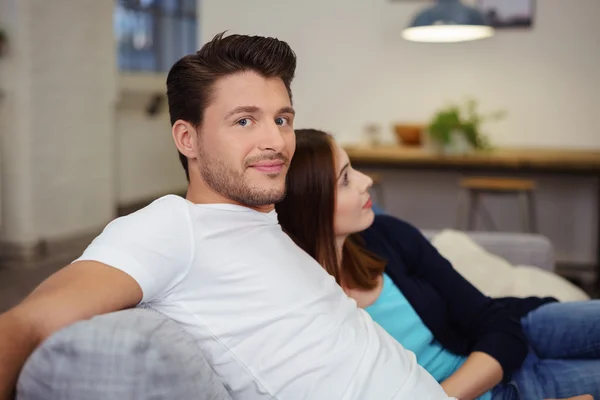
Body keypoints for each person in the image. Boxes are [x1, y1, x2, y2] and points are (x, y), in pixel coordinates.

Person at [0, 33, 455, 400]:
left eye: (282, 119)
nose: (276, 141)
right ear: (187, 139)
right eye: (244, 121)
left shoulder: (270, 222)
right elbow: (27, 323)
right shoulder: (173, 226)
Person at [275, 128, 600, 400]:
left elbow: (493, 321)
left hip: (517, 333)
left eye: (353, 168)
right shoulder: (308, 316)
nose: (365, 181)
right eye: (345, 179)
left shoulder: (386, 235)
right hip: (513, 390)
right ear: (311, 207)